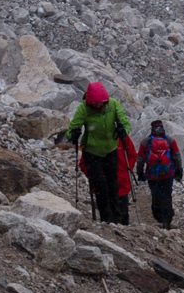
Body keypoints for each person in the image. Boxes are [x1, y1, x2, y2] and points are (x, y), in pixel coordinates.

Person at [57, 83, 132, 225]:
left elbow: (126, 123)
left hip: (111, 150)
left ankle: (117, 217)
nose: (100, 107)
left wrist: (123, 130)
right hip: (92, 153)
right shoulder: (84, 108)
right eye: (96, 104)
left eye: (102, 104)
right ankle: (106, 218)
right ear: (91, 102)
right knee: (101, 185)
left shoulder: (113, 105)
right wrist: (74, 133)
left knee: (113, 184)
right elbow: (72, 129)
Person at [136, 119, 184, 229]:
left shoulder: (145, 142)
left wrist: (140, 174)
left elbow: (140, 160)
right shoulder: (170, 141)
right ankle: (167, 219)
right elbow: (177, 157)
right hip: (168, 174)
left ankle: (158, 216)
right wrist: (179, 171)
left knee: (155, 195)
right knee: (167, 196)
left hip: (152, 175)